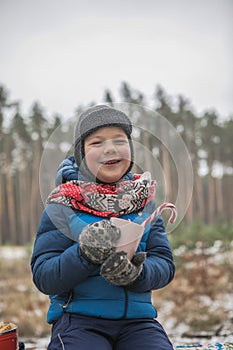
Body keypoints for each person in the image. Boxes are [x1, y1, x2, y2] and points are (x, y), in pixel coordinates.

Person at [31, 105, 175, 350]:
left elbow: (164, 264)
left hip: (138, 323)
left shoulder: (145, 205)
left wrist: (137, 275)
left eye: (119, 140)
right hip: (78, 323)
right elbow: (44, 276)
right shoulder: (62, 205)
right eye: (96, 143)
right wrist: (84, 254)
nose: (109, 148)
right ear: (81, 154)